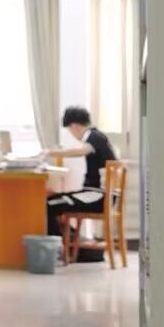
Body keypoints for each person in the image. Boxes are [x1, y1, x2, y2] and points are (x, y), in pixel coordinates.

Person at [43, 106, 118, 253]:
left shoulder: (94, 137)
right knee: (53, 198)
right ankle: (66, 246)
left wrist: (51, 152)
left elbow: (81, 151)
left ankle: (58, 250)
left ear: (74, 126)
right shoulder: (97, 136)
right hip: (99, 195)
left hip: (98, 196)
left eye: (70, 130)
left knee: (48, 204)